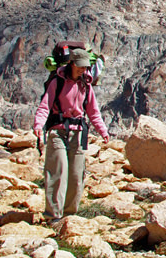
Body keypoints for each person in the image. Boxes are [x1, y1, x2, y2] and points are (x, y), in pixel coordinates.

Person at [33, 47, 109, 222]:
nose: (83, 69)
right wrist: (38, 124)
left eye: (85, 66)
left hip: (78, 133)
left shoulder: (86, 84)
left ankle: (69, 216)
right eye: (80, 66)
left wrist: (102, 131)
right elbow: (45, 106)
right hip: (57, 131)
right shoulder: (57, 82)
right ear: (72, 64)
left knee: (76, 175)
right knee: (58, 172)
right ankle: (53, 216)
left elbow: (93, 112)